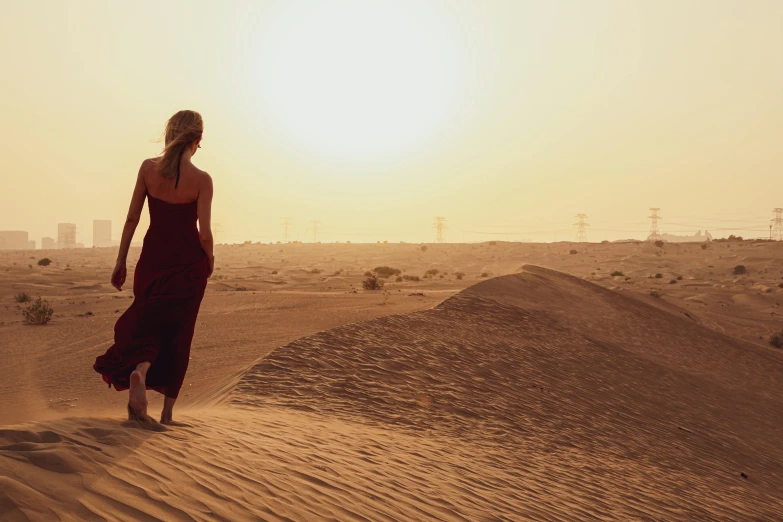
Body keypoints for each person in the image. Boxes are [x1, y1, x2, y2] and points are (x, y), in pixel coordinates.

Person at [94, 110, 214, 426]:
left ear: (168, 135)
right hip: (188, 267)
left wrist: (120, 260)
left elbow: (132, 218)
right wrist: (210, 259)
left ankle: (140, 370)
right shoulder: (202, 180)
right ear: (198, 141)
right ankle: (167, 414)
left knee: (147, 326)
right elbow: (204, 232)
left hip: (152, 262)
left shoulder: (148, 169)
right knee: (180, 334)